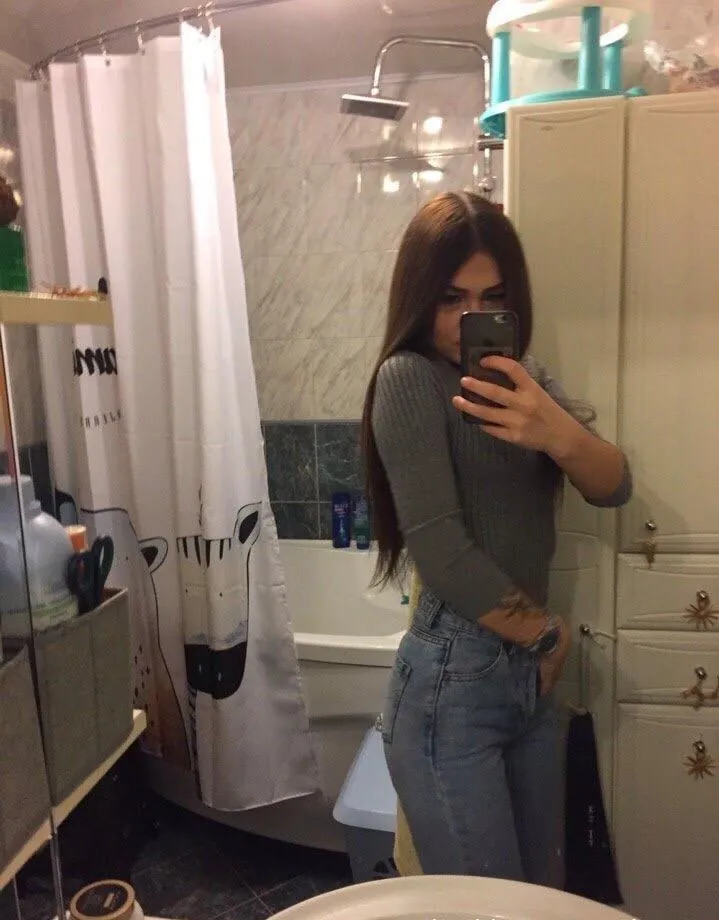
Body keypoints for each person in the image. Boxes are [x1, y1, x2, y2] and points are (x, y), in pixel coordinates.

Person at [361, 191, 632, 884]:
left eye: (491, 298)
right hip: (453, 679)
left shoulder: (524, 381)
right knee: (486, 906)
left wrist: (554, 433)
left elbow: (614, 485)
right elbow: (440, 551)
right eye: (450, 298)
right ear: (419, 297)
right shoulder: (408, 379)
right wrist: (547, 634)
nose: (468, 319)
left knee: (541, 894)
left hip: (526, 679)